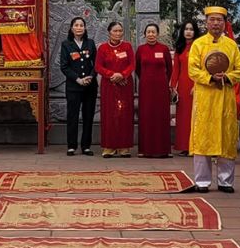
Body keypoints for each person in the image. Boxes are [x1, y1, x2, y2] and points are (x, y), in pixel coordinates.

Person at [187, 6, 240, 193]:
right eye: (212, 20)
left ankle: (225, 181)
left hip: (225, 96)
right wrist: (210, 77)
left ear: (224, 23)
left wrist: (226, 77)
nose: (215, 23)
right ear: (206, 22)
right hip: (205, 97)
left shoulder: (231, 45)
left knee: (226, 137)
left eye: (219, 20)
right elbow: (193, 69)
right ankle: (202, 181)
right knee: (202, 137)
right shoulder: (198, 44)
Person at [95, 21, 135, 158]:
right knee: (109, 115)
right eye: (115, 31)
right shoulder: (103, 48)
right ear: (109, 32)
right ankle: (109, 147)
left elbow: (132, 64)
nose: (118, 33)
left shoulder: (127, 47)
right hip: (109, 86)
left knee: (124, 114)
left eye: (120, 31)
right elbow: (98, 66)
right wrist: (112, 75)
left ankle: (124, 147)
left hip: (125, 85)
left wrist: (122, 75)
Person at [59, 16, 98, 156]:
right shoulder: (66, 44)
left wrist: (91, 77)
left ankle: (86, 146)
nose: (79, 28)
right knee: (73, 116)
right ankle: (71, 146)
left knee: (88, 116)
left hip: (90, 86)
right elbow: (64, 66)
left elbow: (97, 64)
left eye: (81, 25)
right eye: (76, 25)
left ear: (85, 28)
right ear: (71, 28)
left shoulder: (91, 43)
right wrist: (78, 79)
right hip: (74, 87)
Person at [134, 23, 173, 158]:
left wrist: (164, 82)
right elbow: (137, 68)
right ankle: (145, 149)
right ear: (144, 34)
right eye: (148, 32)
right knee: (146, 116)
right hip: (146, 88)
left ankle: (163, 150)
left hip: (161, 88)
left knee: (161, 116)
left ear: (157, 34)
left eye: (153, 32)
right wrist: (146, 79)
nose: (151, 35)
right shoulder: (140, 49)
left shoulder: (164, 49)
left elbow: (170, 69)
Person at [170, 19, 198, 156]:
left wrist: (198, 84)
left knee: (196, 116)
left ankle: (196, 146)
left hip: (197, 85)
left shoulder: (199, 46)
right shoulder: (179, 47)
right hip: (182, 86)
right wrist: (173, 86)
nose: (188, 32)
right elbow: (176, 69)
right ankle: (184, 146)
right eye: (186, 29)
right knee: (183, 117)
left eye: (191, 29)